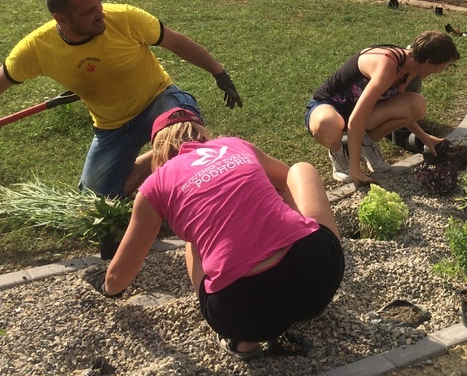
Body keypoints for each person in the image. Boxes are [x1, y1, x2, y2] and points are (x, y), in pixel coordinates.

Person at [0, 0, 242, 198]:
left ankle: (181, 171)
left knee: (183, 138)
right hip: (111, 126)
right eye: (89, 12)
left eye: (99, 4)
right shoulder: (38, 48)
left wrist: (218, 72)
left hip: (158, 100)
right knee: (98, 199)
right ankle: (153, 158)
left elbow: (176, 42)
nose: (101, 14)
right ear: (61, 19)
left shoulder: (124, 17)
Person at [86, 107, 343, 360]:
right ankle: (295, 253)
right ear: (201, 132)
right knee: (302, 169)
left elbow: (120, 276)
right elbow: (287, 180)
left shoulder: (155, 186)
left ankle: (244, 343)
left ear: (157, 151)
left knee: (195, 240)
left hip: (242, 315)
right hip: (319, 281)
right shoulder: (233, 145)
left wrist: (108, 286)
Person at [306, 31, 460, 185]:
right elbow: (356, 119)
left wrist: (424, 137)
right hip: (329, 106)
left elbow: (398, 105)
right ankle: (339, 154)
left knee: (416, 105)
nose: (440, 72)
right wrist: (356, 169)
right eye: (441, 68)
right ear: (428, 62)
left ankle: (368, 144)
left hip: (360, 111)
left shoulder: (411, 68)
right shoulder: (388, 65)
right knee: (327, 123)